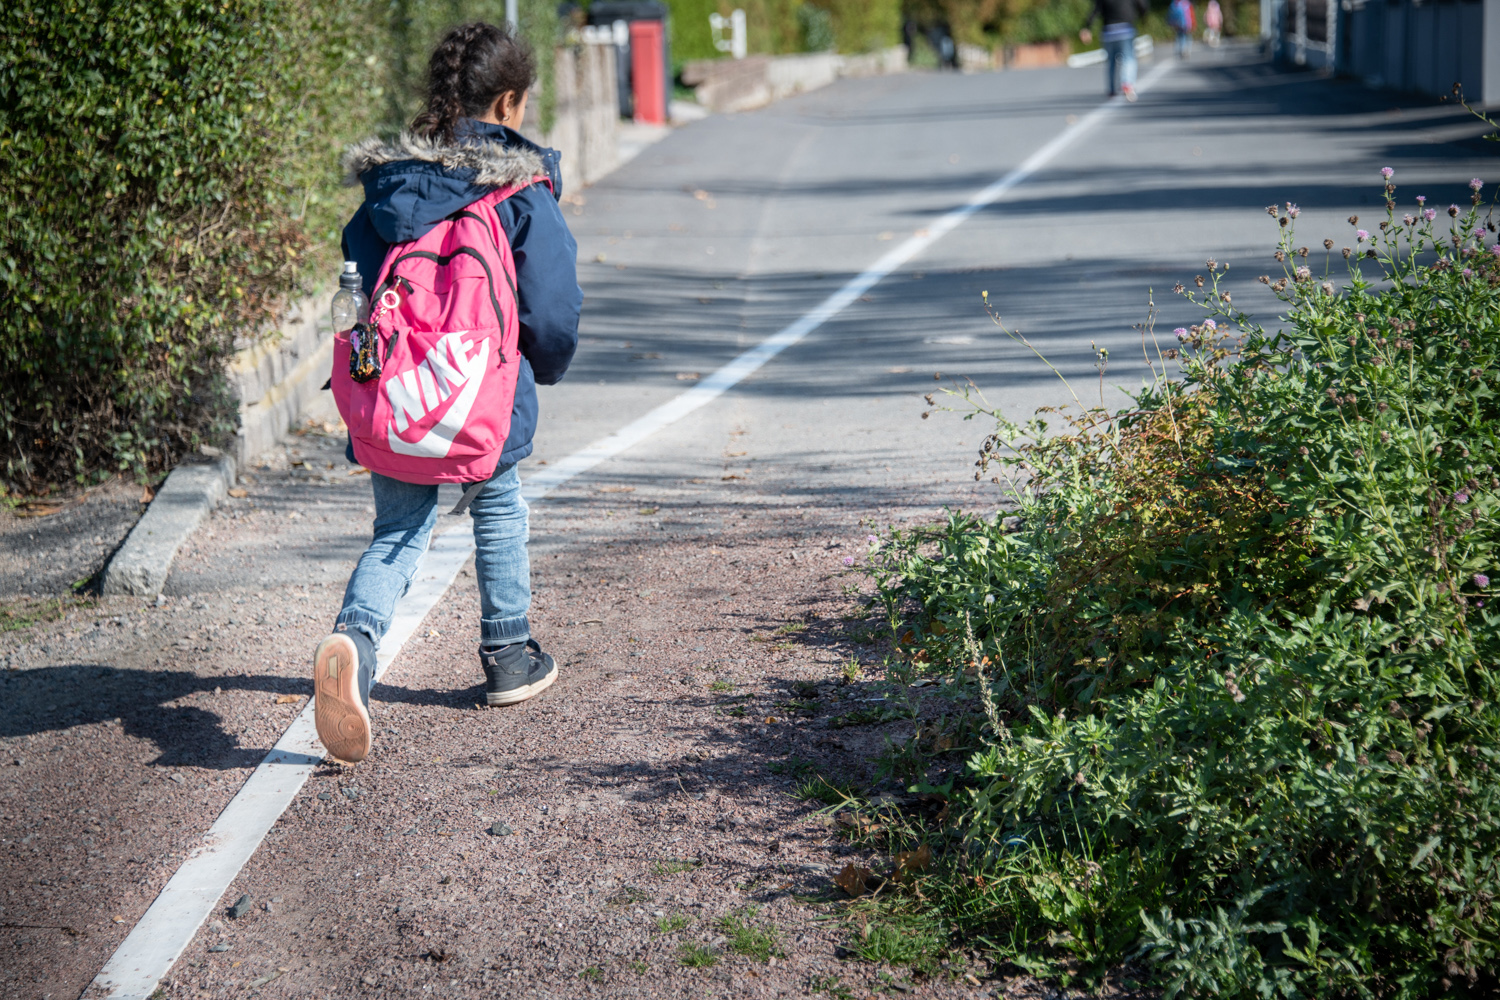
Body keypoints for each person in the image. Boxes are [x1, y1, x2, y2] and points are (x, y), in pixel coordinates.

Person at [312, 22, 582, 764]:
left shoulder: (389, 186)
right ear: (507, 103)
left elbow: (359, 284)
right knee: (498, 506)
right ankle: (509, 655)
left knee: (398, 530)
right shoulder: (516, 187)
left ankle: (356, 642)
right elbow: (552, 306)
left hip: (397, 393)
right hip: (483, 392)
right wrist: (540, 367)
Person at [1080, 0, 1148, 101]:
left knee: (1111, 61)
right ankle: (1127, 83)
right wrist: (1143, 17)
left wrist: (1087, 27)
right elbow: (1142, 5)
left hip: (1108, 31)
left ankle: (1112, 89)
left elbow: (1095, 11)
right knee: (1128, 58)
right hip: (1126, 30)